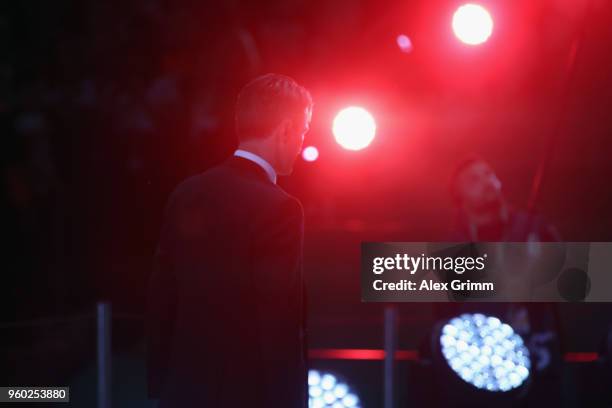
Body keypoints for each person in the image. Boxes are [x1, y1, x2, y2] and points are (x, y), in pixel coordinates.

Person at [146, 73, 312, 407]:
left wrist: (159, 386)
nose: (302, 144)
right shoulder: (280, 208)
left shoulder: (187, 192)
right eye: (304, 132)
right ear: (285, 130)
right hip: (247, 394)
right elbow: (277, 322)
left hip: (182, 389)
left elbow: (162, 298)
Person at [449, 156, 560, 241]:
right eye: (474, 179)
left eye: (488, 173)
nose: (487, 181)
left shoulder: (534, 227)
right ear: (458, 195)